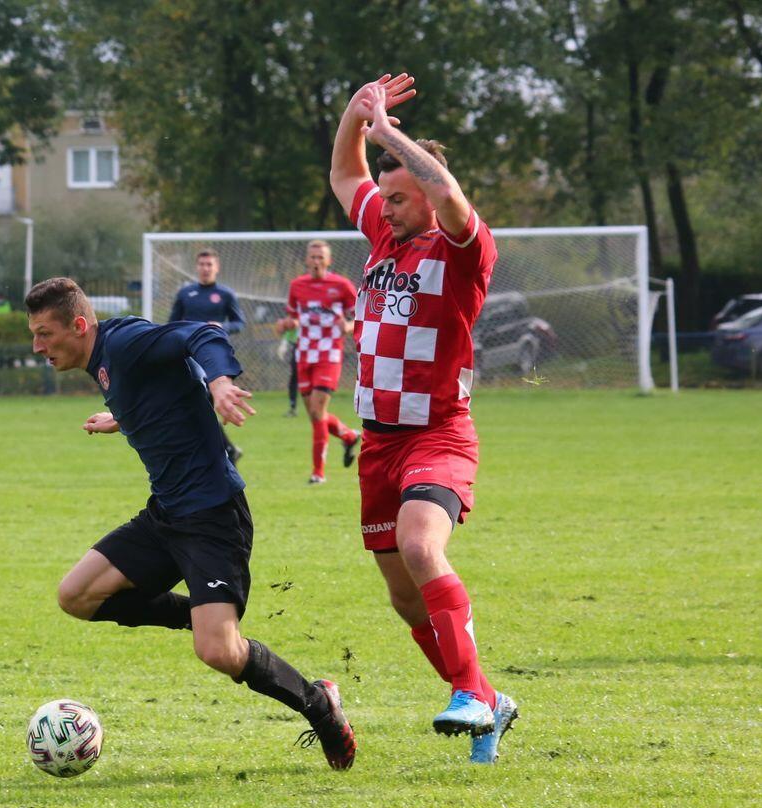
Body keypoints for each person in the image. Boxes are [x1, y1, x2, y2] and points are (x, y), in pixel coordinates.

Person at [26, 276, 356, 770]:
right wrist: (122, 418)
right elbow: (164, 390)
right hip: (165, 516)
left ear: (77, 325)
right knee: (76, 596)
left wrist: (220, 382)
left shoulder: (126, 342)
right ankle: (202, 615)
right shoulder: (106, 360)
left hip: (213, 518)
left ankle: (319, 704)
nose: (37, 347)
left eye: (44, 334)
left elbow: (202, 334)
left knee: (219, 652)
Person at [329, 72, 518, 763]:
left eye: (400, 197)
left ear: (427, 194)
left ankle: (469, 693)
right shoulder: (386, 233)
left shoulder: (462, 250)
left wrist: (388, 132)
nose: (387, 208)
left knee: (419, 546)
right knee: (405, 600)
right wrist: (356, 114)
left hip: (437, 436)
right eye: (386, 199)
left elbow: (450, 197)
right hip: (378, 444)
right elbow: (344, 174)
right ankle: (487, 699)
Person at [275, 241, 361, 484]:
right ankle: (348, 436)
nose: (316, 261)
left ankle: (318, 473)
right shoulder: (297, 286)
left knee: (317, 410)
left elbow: (363, 315)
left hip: (329, 354)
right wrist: (286, 325)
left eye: (320, 257)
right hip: (304, 354)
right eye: (312, 257)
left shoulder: (341, 285)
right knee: (315, 414)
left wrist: (348, 326)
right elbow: (294, 317)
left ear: (328, 260)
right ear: (306, 260)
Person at [169, 249, 246, 465]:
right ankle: (226, 450)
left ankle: (224, 451)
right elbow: (171, 324)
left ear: (216, 267)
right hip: (190, 356)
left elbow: (239, 323)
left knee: (201, 405)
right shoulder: (185, 294)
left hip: (215, 358)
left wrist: (222, 326)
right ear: (197, 267)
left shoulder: (226, 294)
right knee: (198, 407)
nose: (205, 268)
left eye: (209, 264)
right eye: (202, 264)